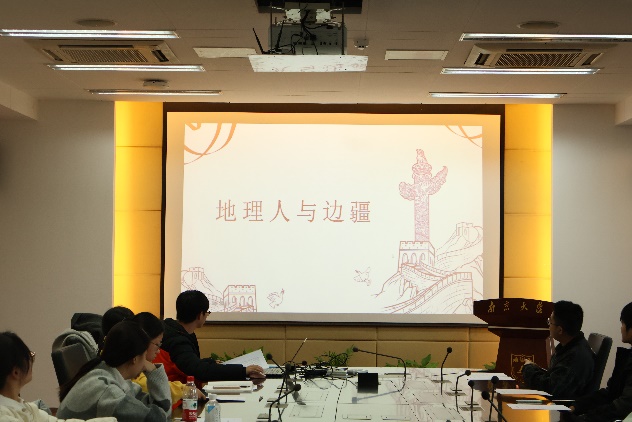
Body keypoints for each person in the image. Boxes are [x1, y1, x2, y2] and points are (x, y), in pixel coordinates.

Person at [57, 320, 171, 421]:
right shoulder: (108, 392)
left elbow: (148, 406)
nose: (146, 362)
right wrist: (154, 372)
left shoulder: (102, 373)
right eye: (144, 356)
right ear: (135, 358)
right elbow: (160, 418)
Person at [154, 290, 264, 386]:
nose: (207, 315)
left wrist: (209, 362)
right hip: (178, 396)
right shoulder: (178, 341)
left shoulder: (171, 330)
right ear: (200, 315)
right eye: (207, 312)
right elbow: (199, 371)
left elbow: (186, 362)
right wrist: (243, 371)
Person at [0, 331, 115, 422]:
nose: (32, 361)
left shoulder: (24, 406)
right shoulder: (4, 416)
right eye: (30, 357)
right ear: (16, 372)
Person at [565, 301, 632, 421]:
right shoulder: (628, 357)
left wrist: (586, 418)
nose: (621, 328)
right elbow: (609, 393)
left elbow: (623, 405)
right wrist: (577, 406)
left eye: (623, 323)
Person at [522, 300, 595, 398]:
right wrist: (535, 369)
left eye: (550, 322)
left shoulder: (575, 357)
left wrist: (528, 369)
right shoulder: (570, 347)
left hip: (564, 405)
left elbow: (550, 389)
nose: (549, 325)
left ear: (560, 330)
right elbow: (555, 378)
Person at [132, 312, 205, 407]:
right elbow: (149, 387)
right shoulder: (133, 371)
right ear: (143, 342)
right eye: (157, 344)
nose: (158, 351)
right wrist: (184, 389)